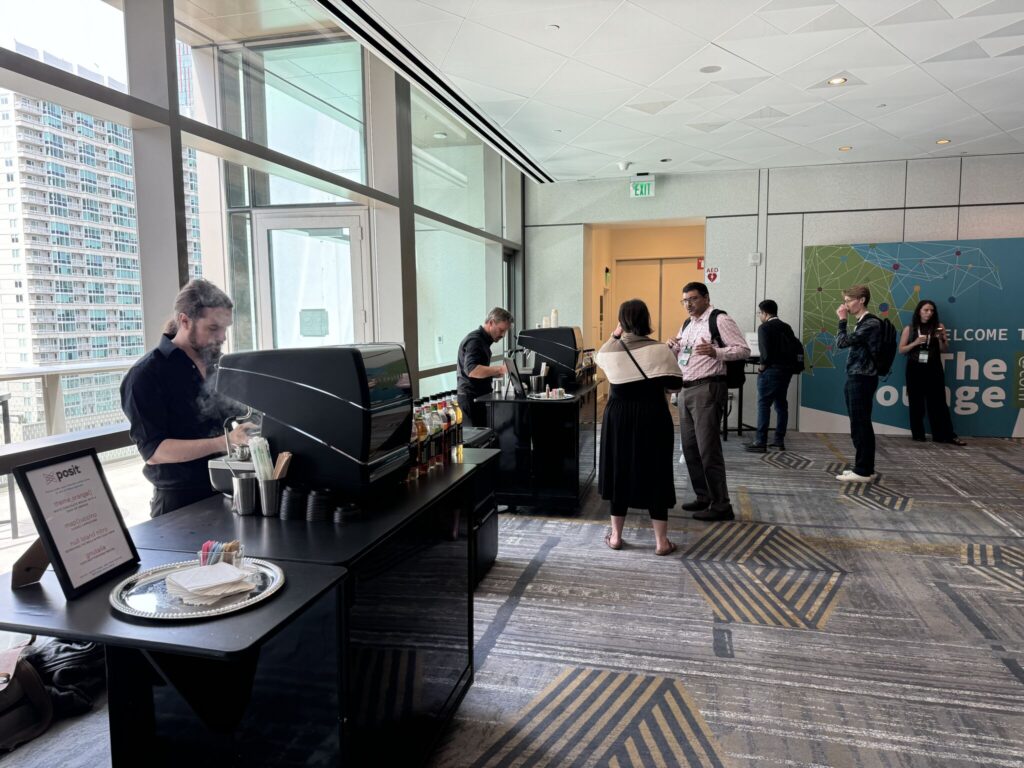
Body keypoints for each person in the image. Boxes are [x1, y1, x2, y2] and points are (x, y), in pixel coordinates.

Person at [120, 279, 253, 517]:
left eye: (225, 328)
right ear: (184, 321)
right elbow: (154, 452)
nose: (222, 337)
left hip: (226, 491)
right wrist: (225, 442)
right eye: (213, 328)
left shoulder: (218, 366)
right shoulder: (146, 375)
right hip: (179, 505)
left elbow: (239, 412)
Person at [597, 299, 683, 555]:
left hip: (618, 416)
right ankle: (661, 542)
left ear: (622, 322)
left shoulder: (610, 352)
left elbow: (600, 354)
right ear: (647, 319)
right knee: (656, 471)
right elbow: (675, 386)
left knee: (619, 469)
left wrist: (616, 333)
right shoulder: (660, 350)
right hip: (653, 415)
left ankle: (616, 537)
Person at [667, 282, 749, 522]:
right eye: (684, 301)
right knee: (690, 449)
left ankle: (722, 504)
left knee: (708, 449)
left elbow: (742, 349)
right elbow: (684, 356)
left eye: (693, 299)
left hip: (708, 388)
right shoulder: (687, 325)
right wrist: (673, 348)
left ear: (705, 298)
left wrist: (718, 353)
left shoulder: (719, 319)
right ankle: (704, 497)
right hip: (686, 389)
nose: (688, 305)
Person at [899, 300, 966, 446]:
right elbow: (902, 350)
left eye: (932, 310)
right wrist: (915, 343)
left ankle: (944, 435)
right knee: (916, 403)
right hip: (915, 368)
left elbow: (944, 349)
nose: (929, 313)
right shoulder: (910, 328)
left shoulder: (939, 327)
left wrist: (941, 338)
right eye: (926, 310)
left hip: (933, 367)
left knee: (938, 402)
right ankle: (918, 435)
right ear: (919, 311)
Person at [835, 285, 882, 482]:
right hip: (858, 377)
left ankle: (863, 470)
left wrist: (842, 321)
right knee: (859, 423)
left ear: (861, 300)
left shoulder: (870, 324)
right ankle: (864, 467)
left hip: (862, 378)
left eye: (848, 300)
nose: (845, 305)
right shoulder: (864, 322)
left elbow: (842, 342)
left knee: (860, 423)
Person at [745, 299, 798, 453]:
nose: (759, 316)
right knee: (781, 405)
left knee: (764, 404)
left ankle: (760, 441)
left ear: (765, 313)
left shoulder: (764, 327)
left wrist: (761, 368)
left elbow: (765, 353)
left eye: (759, 313)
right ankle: (779, 441)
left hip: (771, 371)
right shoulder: (786, 327)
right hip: (786, 371)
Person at [456, 307, 512, 427]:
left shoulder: (483, 341)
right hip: (470, 399)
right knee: (475, 442)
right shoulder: (475, 340)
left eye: (505, 331)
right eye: (501, 330)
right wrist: (500, 369)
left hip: (477, 397)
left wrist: (495, 373)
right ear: (491, 322)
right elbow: (472, 370)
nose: (503, 335)